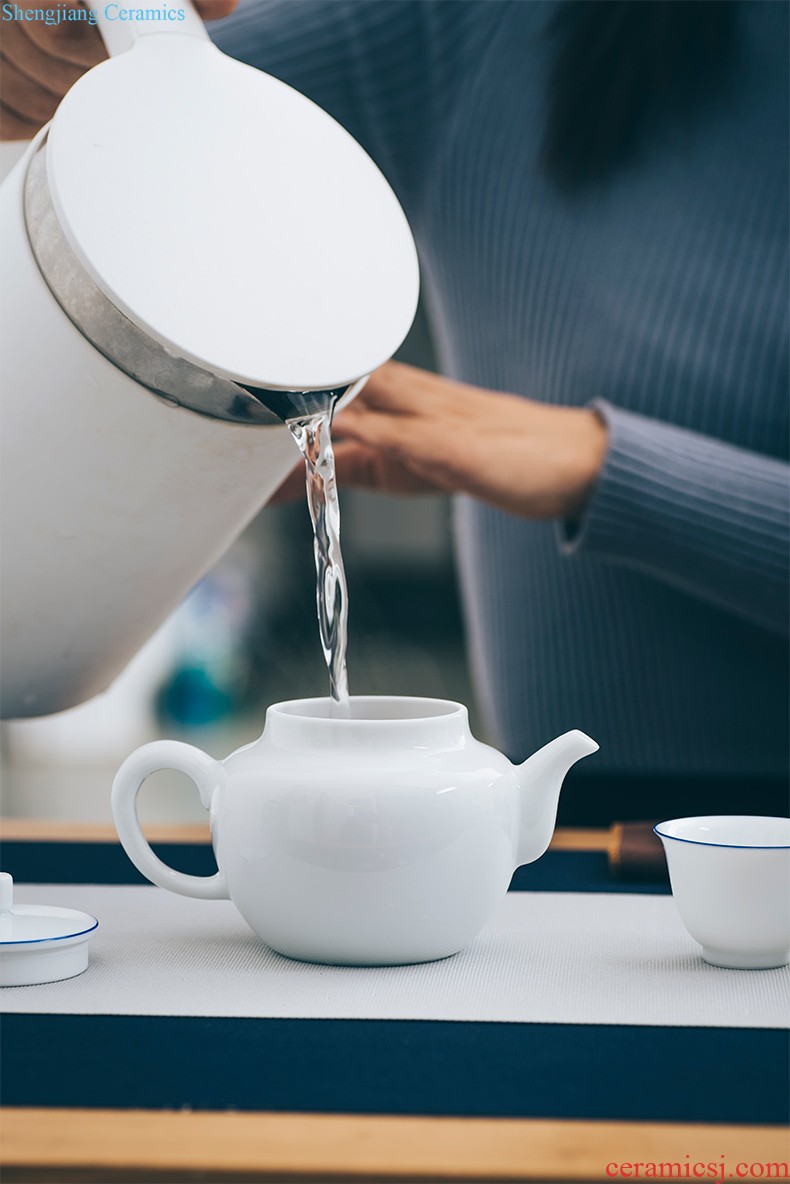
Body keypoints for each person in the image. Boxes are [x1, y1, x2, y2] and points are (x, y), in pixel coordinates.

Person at [3, 0, 787, 822]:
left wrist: (599, 469)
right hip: (572, 872)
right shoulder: (493, 25)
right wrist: (36, 25)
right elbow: (125, 76)